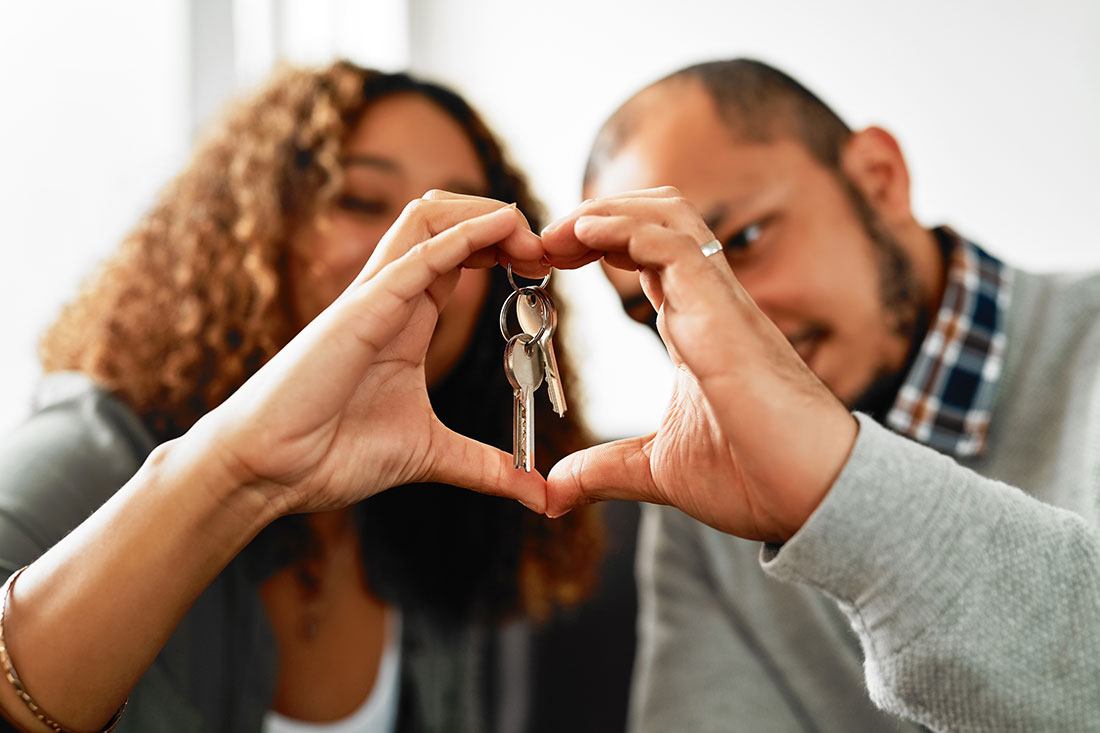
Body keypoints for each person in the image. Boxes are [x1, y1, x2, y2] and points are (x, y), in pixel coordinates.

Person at [0, 60, 602, 733]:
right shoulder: (86, 456)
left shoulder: (439, 512)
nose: (420, 250)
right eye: (361, 201)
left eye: (467, 232)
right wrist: (232, 473)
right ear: (257, 233)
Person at [539, 58, 1100, 731]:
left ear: (879, 179)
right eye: (653, 303)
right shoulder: (704, 505)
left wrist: (842, 493)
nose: (722, 320)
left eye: (742, 240)